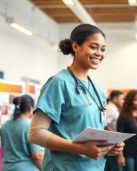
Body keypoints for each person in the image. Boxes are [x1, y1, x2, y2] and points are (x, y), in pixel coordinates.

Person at [28, 24, 124, 171]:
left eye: (102, 49)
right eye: (93, 47)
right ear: (76, 47)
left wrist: (108, 145)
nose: (99, 53)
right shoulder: (59, 83)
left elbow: (95, 128)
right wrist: (79, 148)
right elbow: (35, 133)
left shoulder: (97, 90)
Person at [1, 95, 44, 171]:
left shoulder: (5, 125)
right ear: (31, 109)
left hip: (6, 168)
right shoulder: (31, 125)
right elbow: (37, 156)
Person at [117, 90, 137, 171]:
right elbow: (118, 138)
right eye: (136, 100)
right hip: (127, 154)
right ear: (130, 101)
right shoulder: (123, 116)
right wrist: (120, 156)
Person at [105, 90, 124, 171]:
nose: (123, 101)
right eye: (122, 99)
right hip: (111, 143)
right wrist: (113, 134)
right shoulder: (111, 109)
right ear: (115, 99)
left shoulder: (113, 109)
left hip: (112, 143)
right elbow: (103, 124)